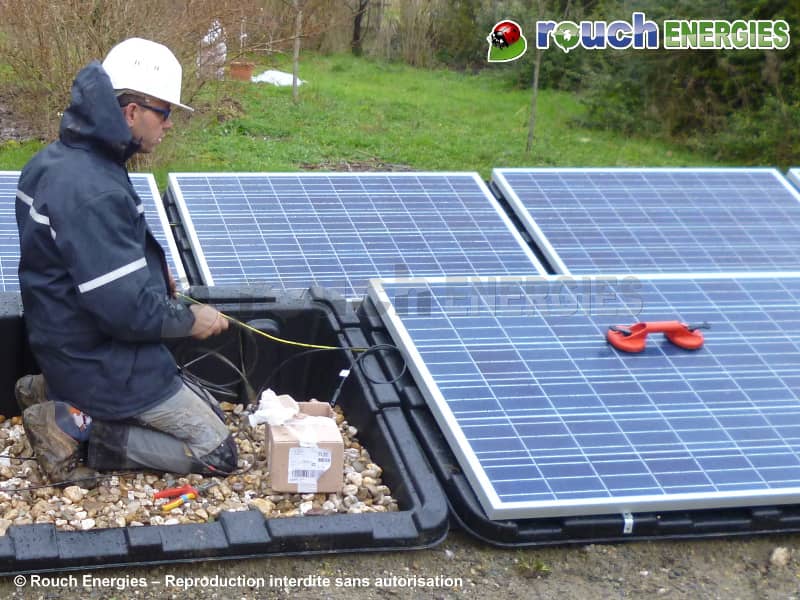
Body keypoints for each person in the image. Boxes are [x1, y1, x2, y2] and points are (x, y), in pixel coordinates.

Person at [14, 38, 237, 486]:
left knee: (206, 406)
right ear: (132, 112)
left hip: (66, 342)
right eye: (165, 112)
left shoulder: (56, 162)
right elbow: (127, 311)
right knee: (217, 450)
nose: (169, 124)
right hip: (100, 360)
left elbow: (88, 267)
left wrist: (153, 279)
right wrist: (191, 318)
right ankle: (74, 425)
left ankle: (47, 388)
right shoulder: (93, 188)